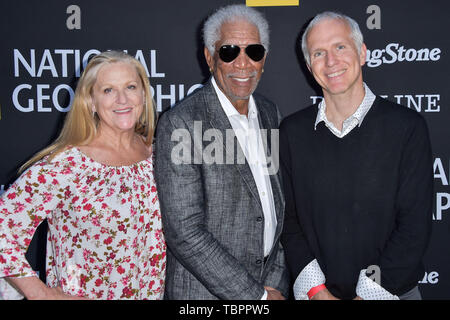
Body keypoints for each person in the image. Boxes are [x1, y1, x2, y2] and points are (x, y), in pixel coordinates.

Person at [280, 11, 433, 300]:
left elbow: (414, 228)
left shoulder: (407, 128)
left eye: (340, 47)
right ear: (309, 65)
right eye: (318, 52)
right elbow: (288, 222)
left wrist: (367, 296)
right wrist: (317, 292)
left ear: (362, 53)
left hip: (392, 293)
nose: (331, 61)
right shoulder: (292, 132)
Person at [0, 51, 166, 300]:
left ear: (143, 94)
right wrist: (41, 294)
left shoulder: (159, 156)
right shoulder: (67, 165)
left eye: (130, 87)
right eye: (108, 90)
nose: (122, 99)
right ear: (90, 101)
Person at [155, 4, 289, 300]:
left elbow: (279, 206)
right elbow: (185, 233)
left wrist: (277, 284)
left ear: (263, 58)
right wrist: (256, 297)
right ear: (209, 57)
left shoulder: (270, 113)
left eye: (254, 51)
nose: (243, 63)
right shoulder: (181, 123)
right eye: (229, 51)